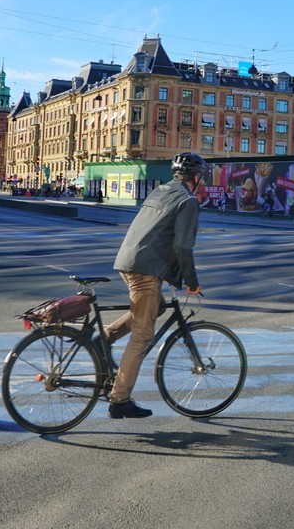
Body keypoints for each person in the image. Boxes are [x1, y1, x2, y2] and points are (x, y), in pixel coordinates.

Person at [104, 152, 205, 419]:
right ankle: (120, 399)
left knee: (154, 308)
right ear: (197, 178)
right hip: (146, 270)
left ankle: (103, 338)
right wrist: (191, 281)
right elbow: (183, 245)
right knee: (143, 335)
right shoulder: (188, 200)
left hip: (127, 260)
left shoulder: (161, 191)